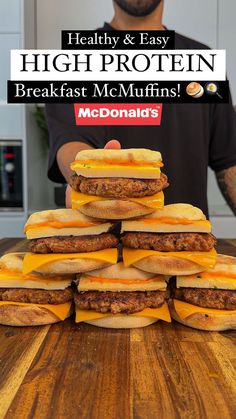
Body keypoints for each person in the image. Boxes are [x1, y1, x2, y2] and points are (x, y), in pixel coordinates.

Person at [45, 0, 236, 217]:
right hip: (106, 242)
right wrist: (89, 178)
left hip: (188, 238)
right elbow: (70, 144)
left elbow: (229, 162)